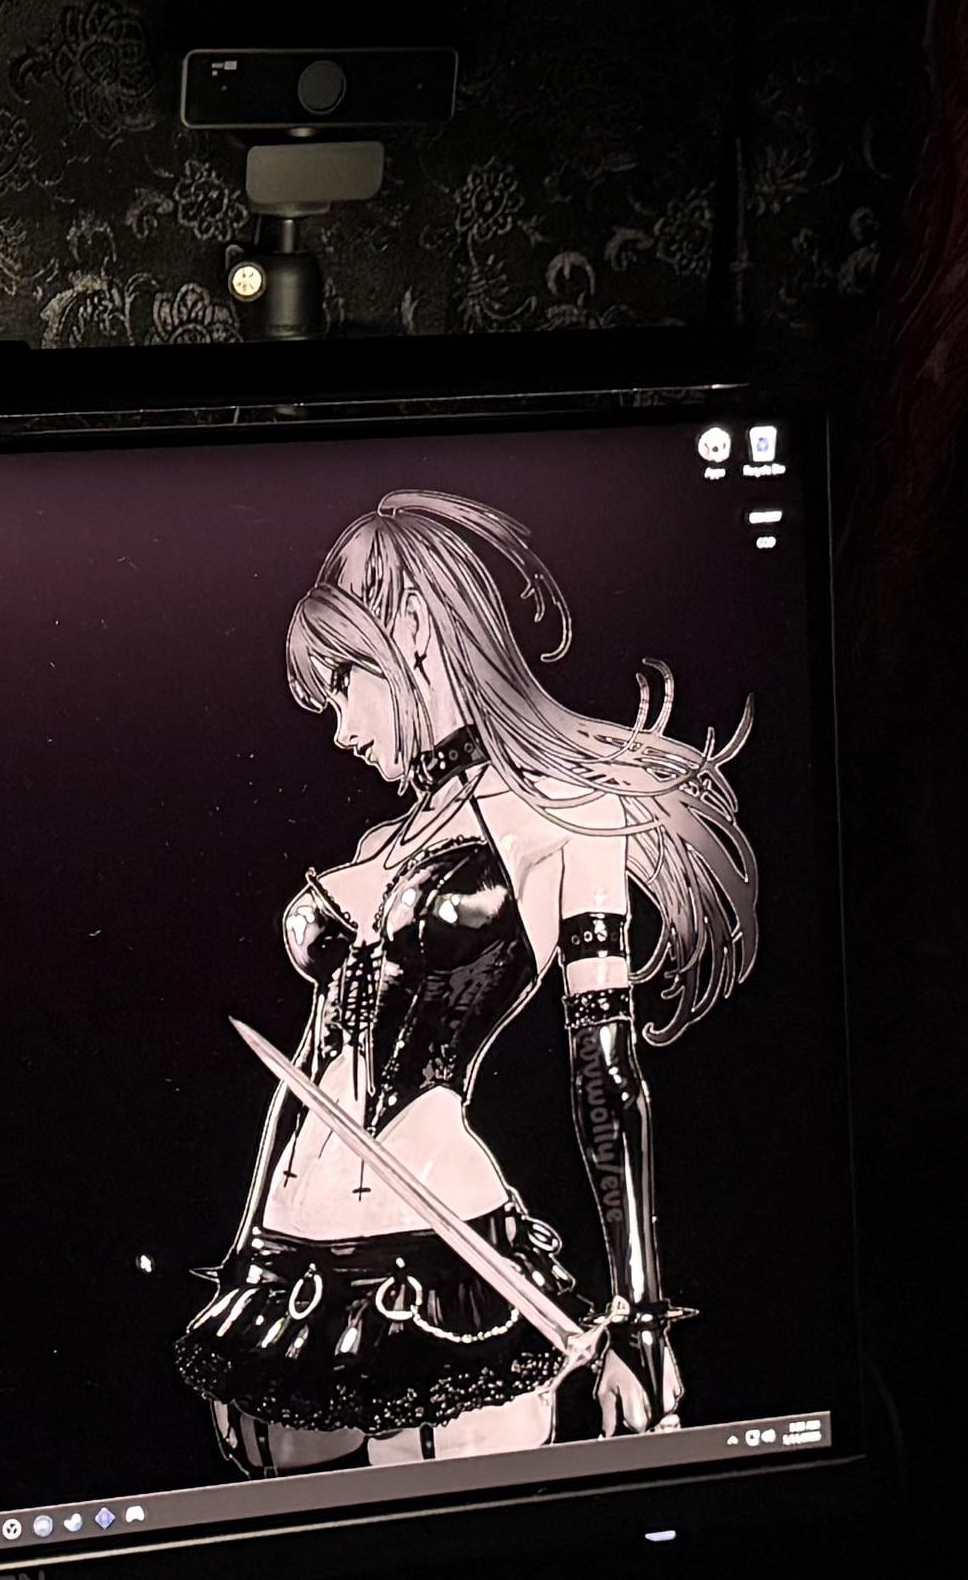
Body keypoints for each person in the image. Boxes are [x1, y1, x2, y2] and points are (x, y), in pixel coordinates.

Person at [176, 489, 756, 1466]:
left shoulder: (571, 819)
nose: (341, 730)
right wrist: (245, 1253)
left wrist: (639, 1317)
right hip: (283, 1272)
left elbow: (606, 1077)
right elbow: (309, 1070)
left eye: (345, 682)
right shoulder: (381, 844)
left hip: (441, 1262)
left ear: (412, 627)